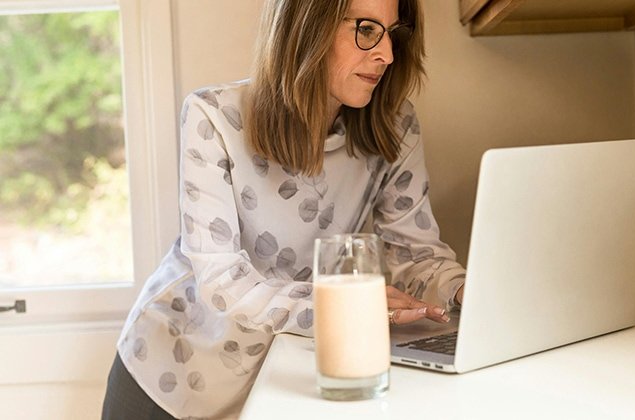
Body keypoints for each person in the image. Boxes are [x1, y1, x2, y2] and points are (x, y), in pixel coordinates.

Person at [101, 0, 466, 418]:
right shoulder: (214, 117)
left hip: (274, 378)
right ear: (307, 25)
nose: (386, 54)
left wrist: (463, 290)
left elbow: (415, 256)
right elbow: (222, 281)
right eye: (367, 30)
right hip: (168, 375)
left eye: (393, 34)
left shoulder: (394, 128)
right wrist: (343, 307)